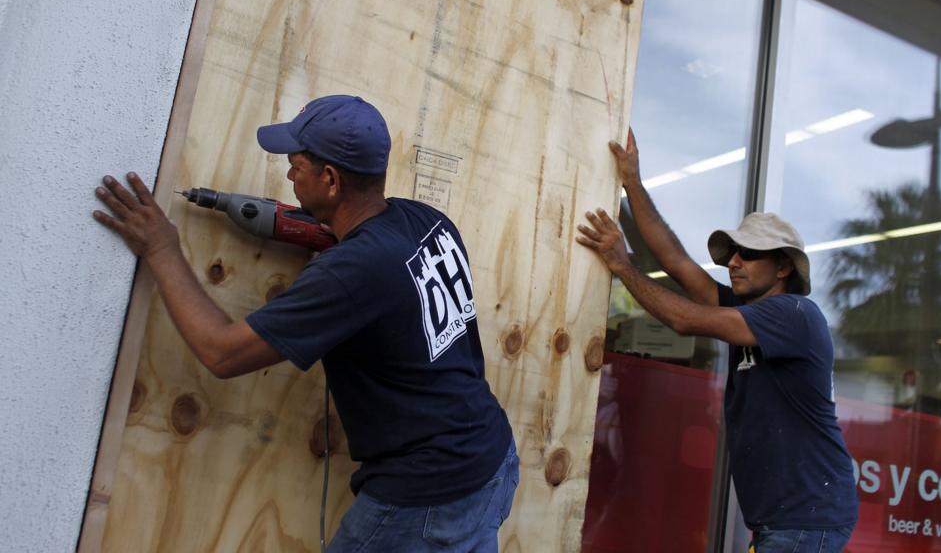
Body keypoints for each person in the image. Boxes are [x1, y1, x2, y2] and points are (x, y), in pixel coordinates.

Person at [92, 95, 518, 552]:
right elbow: (395, 299)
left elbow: (221, 351)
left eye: (296, 166)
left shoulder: (351, 272)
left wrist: (161, 249)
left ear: (330, 179)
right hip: (492, 458)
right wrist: (339, 240)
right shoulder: (429, 220)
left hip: (428, 498)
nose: (290, 175)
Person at [575, 129, 858, 552]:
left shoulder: (794, 315)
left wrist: (625, 267)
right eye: (732, 254)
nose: (734, 262)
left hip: (805, 522)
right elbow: (676, 261)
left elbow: (684, 320)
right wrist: (632, 182)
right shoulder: (747, 311)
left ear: (783, 268)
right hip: (783, 521)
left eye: (749, 254)